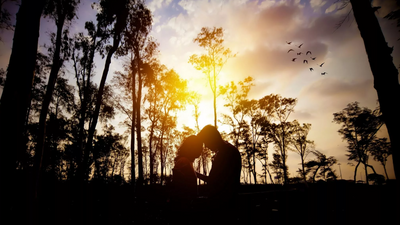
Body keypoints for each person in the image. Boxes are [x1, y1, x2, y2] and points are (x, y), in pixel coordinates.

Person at [196, 125, 242, 207]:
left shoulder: (226, 152)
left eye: (206, 142)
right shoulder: (226, 150)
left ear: (211, 139)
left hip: (223, 204)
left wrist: (196, 175)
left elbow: (214, 181)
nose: (206, 146)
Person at [170, 135, 203, 205]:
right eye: (199, 147)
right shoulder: (183, 161)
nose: (201, 150)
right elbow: (179, 188)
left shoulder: (186, 162)